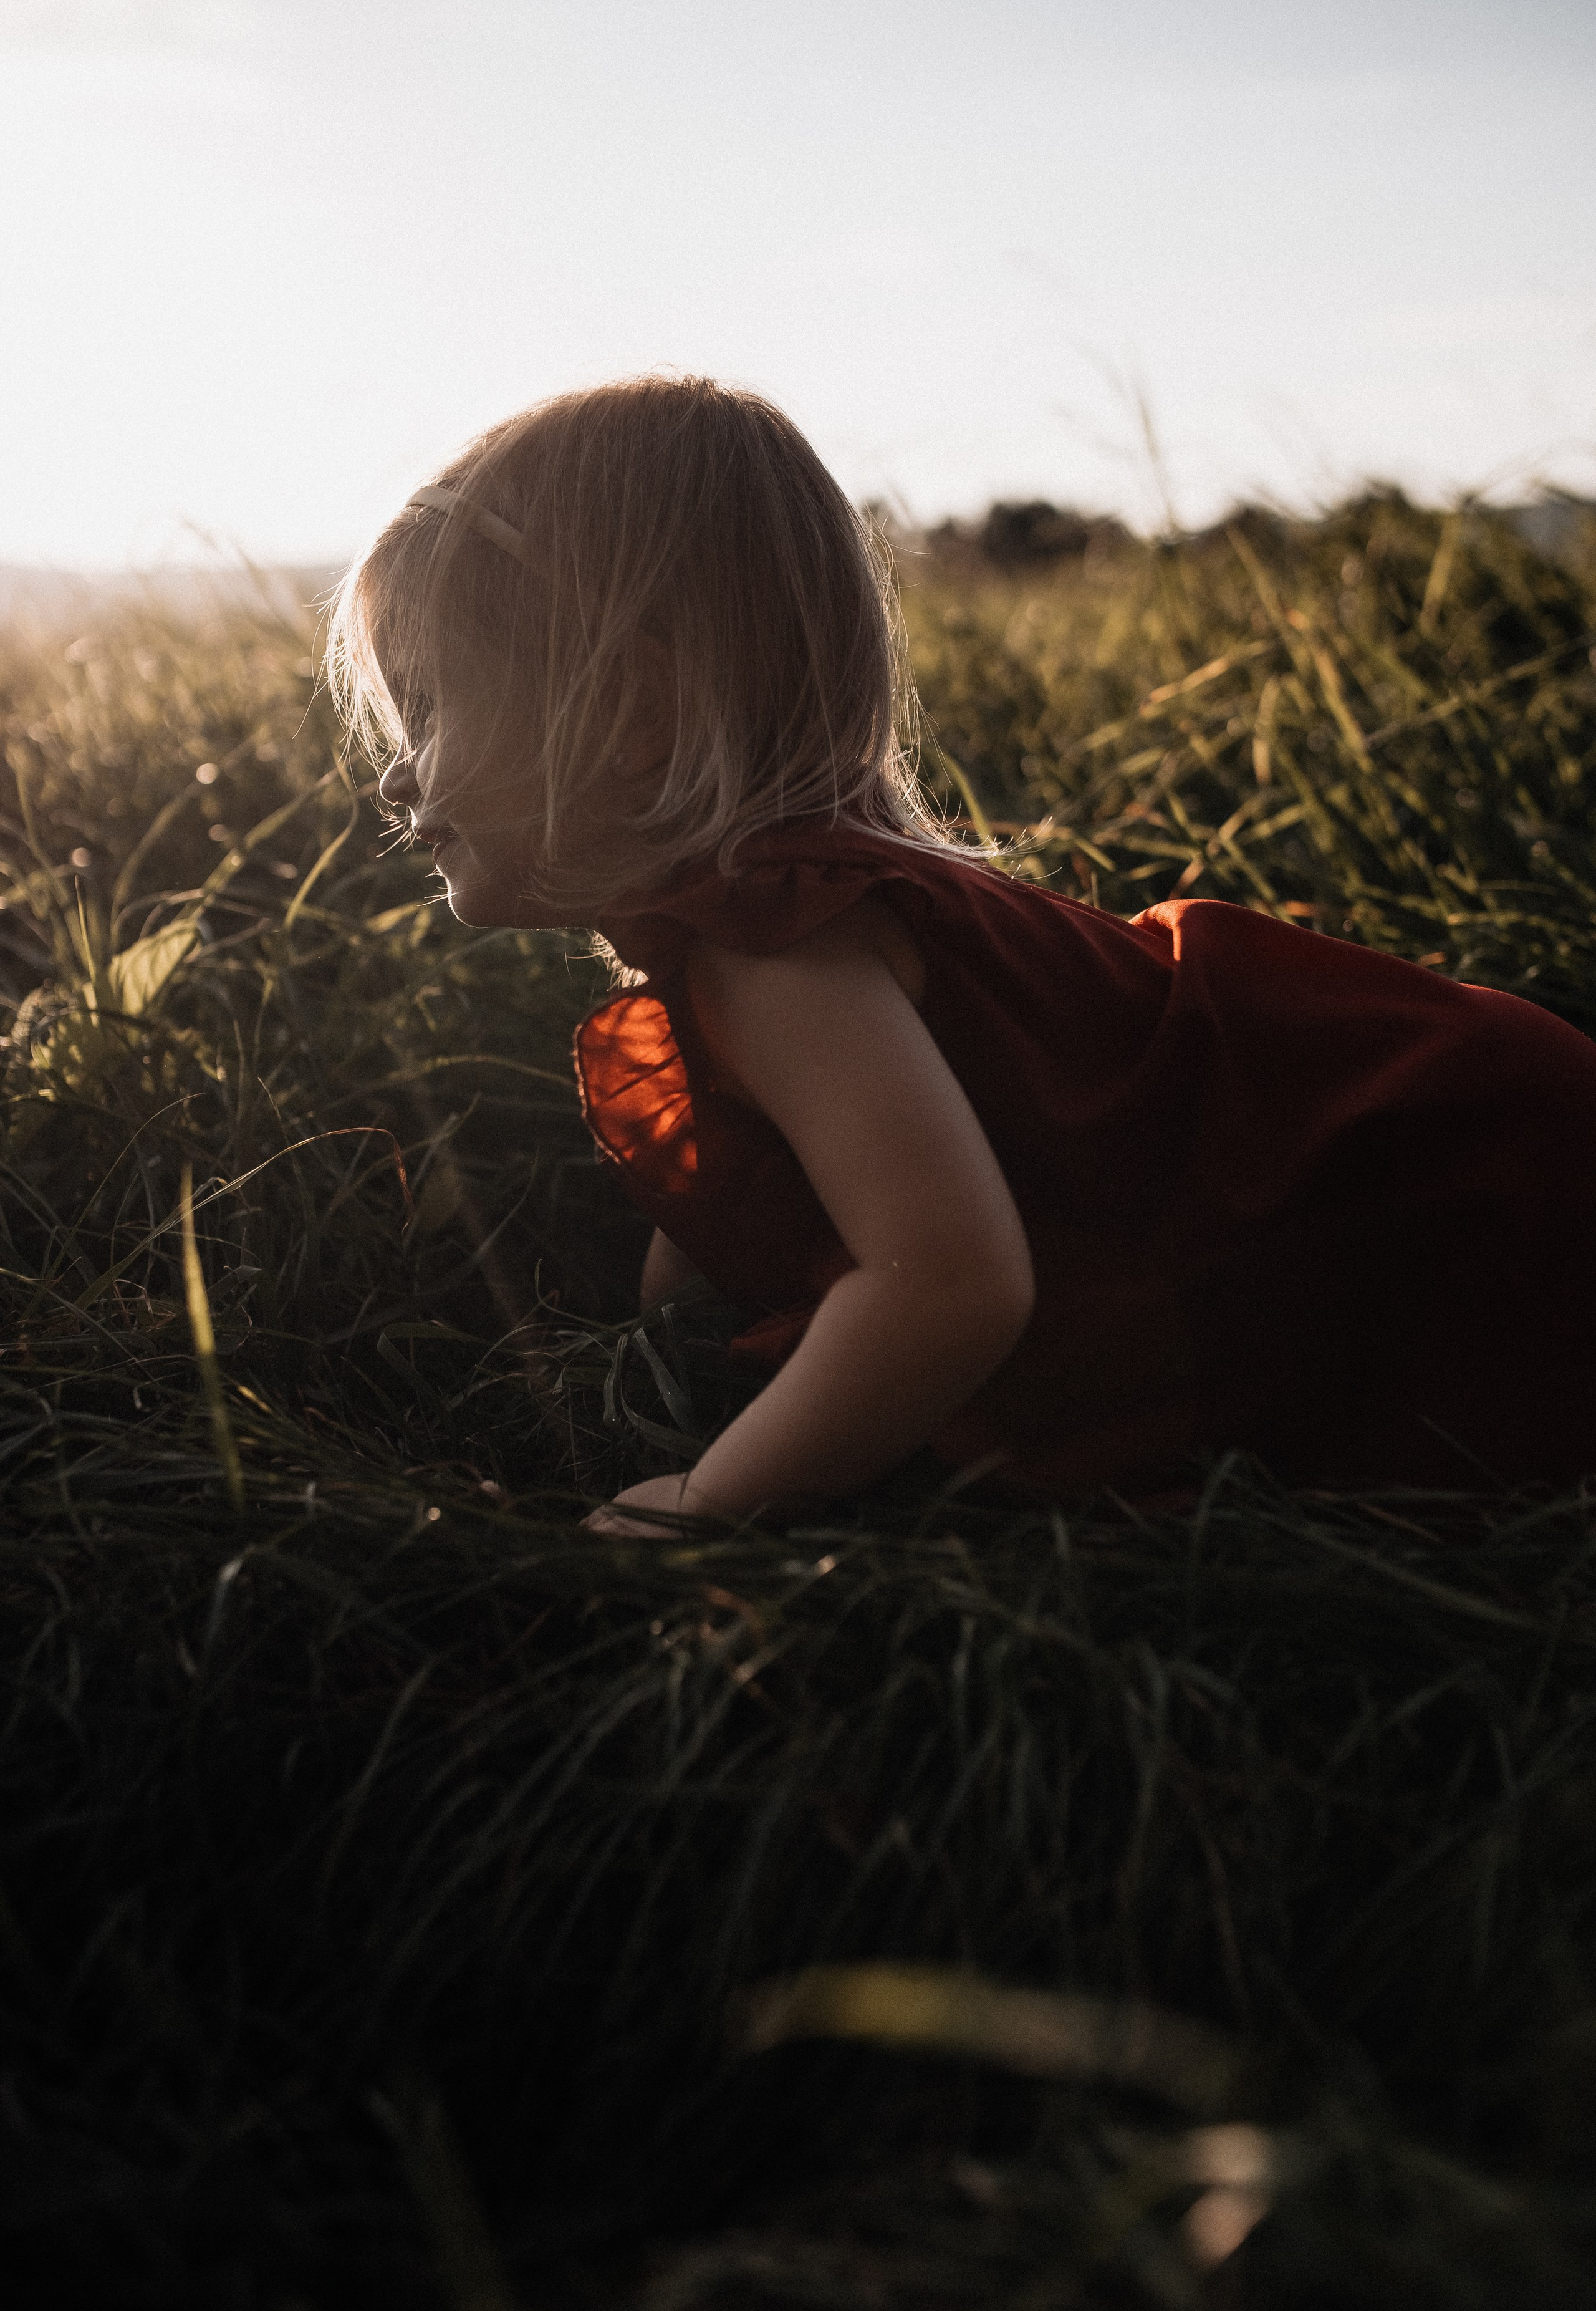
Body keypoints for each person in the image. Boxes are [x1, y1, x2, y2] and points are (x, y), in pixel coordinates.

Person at [328, 375, 1596, 1533]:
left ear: (634, 716)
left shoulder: (780, 958)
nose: (395, 771)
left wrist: (709, 1504)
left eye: (431, 707)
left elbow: (942, 1284)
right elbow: (757, 1207)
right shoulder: (797, 922)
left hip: (1451, 1185)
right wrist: (677, 1316)